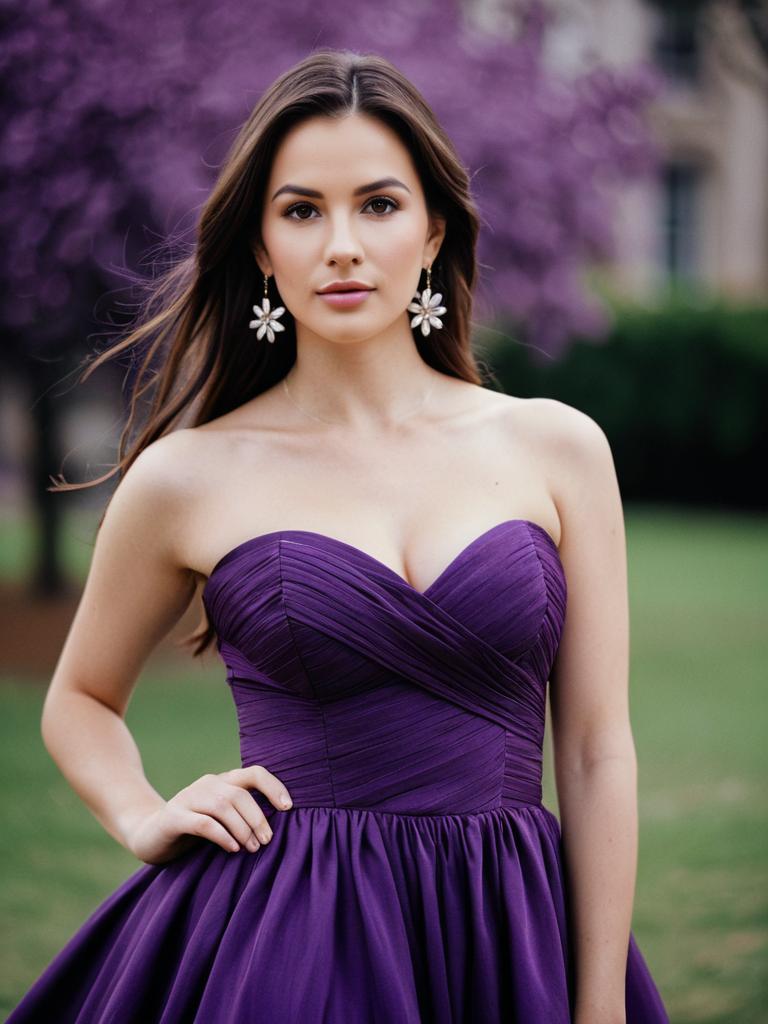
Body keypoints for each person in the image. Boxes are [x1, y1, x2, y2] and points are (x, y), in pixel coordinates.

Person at [8, 48, 670, 1024]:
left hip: (509, 934)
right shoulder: (188, 476)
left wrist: (601, 999)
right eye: (303, 210)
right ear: (262, 249)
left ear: (435, 228)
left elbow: (596, 750)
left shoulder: (558, 449)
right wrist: (143, 814)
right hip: (288, 940)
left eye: (380, 204)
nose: (344, 245)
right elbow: (80, 700)